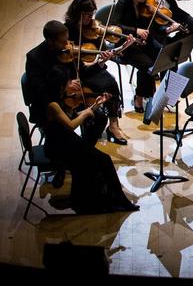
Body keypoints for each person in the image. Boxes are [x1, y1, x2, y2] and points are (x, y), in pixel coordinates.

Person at [39, 76, 139, 214]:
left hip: (67, 142)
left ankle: (86, 200)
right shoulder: (53, 105)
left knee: (96, 161)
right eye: (69, 82)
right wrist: (86, 113)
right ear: (60, 86)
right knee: (103, 160)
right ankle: (116, 202)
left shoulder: (61, 100)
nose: (74, 83)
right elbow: (70, 125)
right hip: (58, 147)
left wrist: (95, 105)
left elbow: (72, 117)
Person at [64, 0, 132, 144]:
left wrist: (112, 52)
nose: (90, 18)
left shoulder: (93, 28)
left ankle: (113, 125)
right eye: (86, 15)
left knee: (111, 83)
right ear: (77, 13)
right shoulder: (67, 30)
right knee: (105, 84)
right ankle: (92, 121)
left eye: (91, 14)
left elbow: (102, 48)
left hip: (94, 66)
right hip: (76, 70)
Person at [114, 0, 189, 112]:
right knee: (148, 66)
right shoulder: (123, 3)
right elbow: (116, 26)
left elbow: (155, 28)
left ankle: (170, 95)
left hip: (146, 42)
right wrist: (136, 30)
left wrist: (167, 29)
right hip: (127, 45)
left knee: (170, 57)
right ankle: (141, 96)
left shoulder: (148, 4)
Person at [24, 20, 75, 125]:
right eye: (63, 42)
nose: (67, 44)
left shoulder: (66, 51)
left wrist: (99, 63)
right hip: (48, 107)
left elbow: (80, 71)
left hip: (71, 98)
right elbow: (40, 92)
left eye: (67, 39)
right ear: (50, 41)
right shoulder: (34, 58)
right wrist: (64, 88)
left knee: (98, 118)